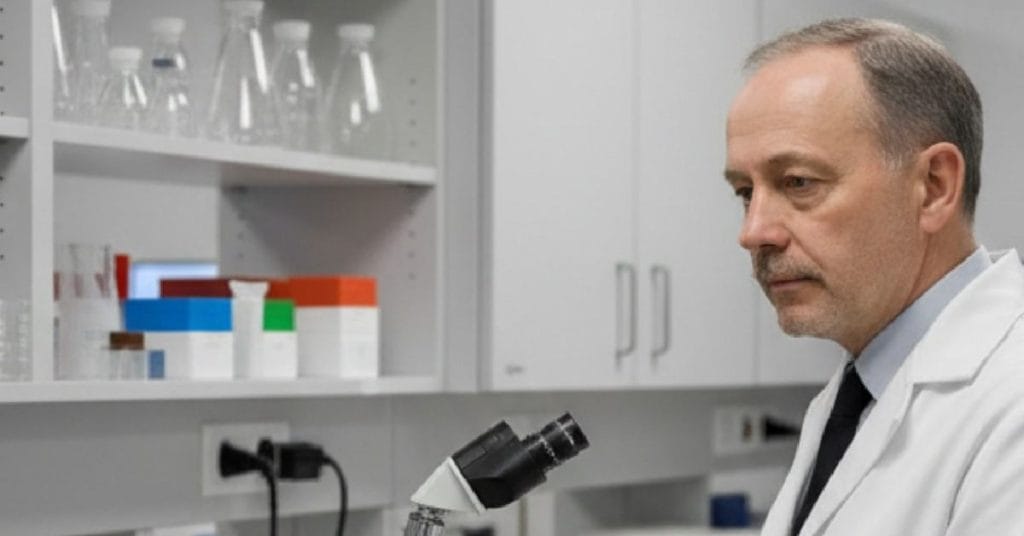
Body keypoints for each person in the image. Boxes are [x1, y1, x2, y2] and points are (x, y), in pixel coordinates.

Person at [724, 18, 1024, 535]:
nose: (753, 232)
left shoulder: (1010, 399)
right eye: (746, 193)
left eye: (798, 182)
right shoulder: (856, 393)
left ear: (933, 186)